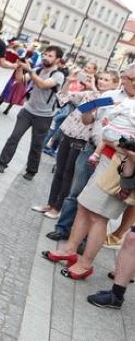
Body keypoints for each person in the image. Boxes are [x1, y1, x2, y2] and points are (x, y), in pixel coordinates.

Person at [41, 94, 135, 282]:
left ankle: (85, 263)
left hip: (121, 166)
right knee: (83, 207)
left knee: (99, 216)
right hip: (107, 158)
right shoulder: (123, 101)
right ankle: (70, 249)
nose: (128, 82)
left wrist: (116, 140)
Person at [31, 70, 116, 219]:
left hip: (83, 139)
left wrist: (93, 90)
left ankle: (58, 208)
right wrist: (69, 82)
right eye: (100, 78)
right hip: (68, 132)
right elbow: (63, 98)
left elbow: (88, 108)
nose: (101, 81)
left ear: (115, 84)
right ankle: (50, 204)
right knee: (59, 170)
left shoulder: (110, 99)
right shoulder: (89, 93)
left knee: (68, 174)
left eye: (106, 80)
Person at [0, 46, 66, 179]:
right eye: (45, 54)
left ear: (57, 60)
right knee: (14, 137)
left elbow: (43, 85)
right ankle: (2, 163)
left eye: (50, 56)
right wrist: (20, 67)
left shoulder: (58, 75)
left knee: (36, 144)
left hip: (44, 116)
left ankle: (31, 171)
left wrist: (30, 71)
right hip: (28, 111)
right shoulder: (37, 69)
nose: (46, 57)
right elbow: (20, 80)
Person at [43, 61, 98, 156]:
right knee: (55, 126)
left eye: (89, 68)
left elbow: (96, 101)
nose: (86, 69)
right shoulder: (80, 76)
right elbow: (66, 94)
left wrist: (91, 87)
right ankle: (44, 146)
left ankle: (52, 148)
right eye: (86, 66)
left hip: (79, 116)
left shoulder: (96, 86)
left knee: (60, 131)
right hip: (69, 105)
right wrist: (70, 81)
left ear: (94, 71)